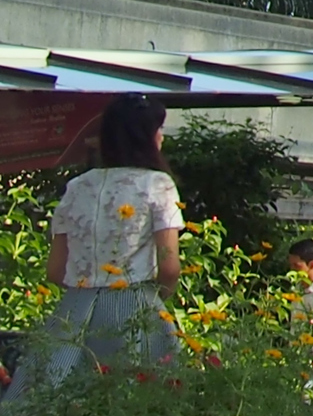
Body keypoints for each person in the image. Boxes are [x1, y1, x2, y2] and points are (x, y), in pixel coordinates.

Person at [3, 93, 184, 396]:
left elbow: (55, 270)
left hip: (74, 309)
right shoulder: (157, 185)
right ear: (147, 136)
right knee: (138, 408)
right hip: (135, 304)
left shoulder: (77, 187)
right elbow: (169, 267)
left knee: (51, 401)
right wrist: (154, 301)